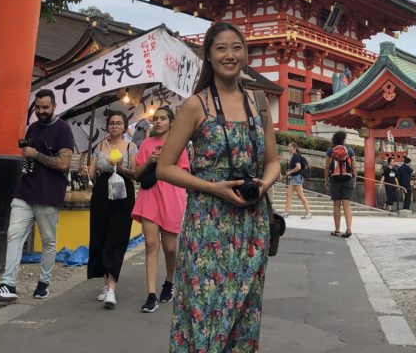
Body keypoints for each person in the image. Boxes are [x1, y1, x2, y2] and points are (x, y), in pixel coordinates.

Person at [156, 21, 281, 353]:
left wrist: (262, 185)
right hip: (208, 225)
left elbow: (273, 161)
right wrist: (214, 188)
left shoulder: (259, 102)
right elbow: (164, 167)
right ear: (208, 56)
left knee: (243, 315)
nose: (230, 55)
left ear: (245, 54)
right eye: (221, 48)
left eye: (236, 47)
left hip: (252, 226)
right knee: (207, 311)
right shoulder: (196, 105)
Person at [0, 89, 75, 303]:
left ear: (53, 107)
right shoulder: (32, 128)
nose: (41, 111)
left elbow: (63, 164)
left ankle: (44, 282)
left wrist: (36, 155)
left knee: (48, 241)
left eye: (45, 107)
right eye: (38, 107)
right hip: (25, 189)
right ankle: (8, 283)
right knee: (14, 234)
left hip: (49, 193)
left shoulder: (63, 130)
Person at [132, 106, 189, 313]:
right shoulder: (146, 144)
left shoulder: (179, 146)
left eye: (163, 118)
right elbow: (137, 174)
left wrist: (165, 161)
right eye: (155, 119)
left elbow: (183, 173)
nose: (158, 122)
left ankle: (169, 280)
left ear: (171, 122)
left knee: (170, 248)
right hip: (150, 196)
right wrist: (150, 160)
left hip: (172, 196)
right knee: (150, 244)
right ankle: (151, 294)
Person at [87, 110, 138, 309]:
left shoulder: (131, 147)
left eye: (118, 123)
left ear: (124, 127)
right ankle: (106, 282)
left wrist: (121, 167)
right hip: (101, 193)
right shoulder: (100, 145)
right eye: (111, 123)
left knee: (117, 238)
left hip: (122, 193)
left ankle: (112, 289)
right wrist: (87, 172)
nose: (114, 126)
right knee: (100, 236)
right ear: (107, 126)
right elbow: (92, 173)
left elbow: (135, 174)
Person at [325, 130, 356, 237]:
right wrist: (354, 178)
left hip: (335, 180)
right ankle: (348, 229)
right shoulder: (349, 150)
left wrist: (326, 180)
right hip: (348, 180)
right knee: (347, 205)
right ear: (343, 139)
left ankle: (337, 230)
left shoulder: (330, 150)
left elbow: (327, 167)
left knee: (336, 205)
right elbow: (354, 166)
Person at [282, 141, 312, 218]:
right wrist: (290, 171)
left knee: (301, 196)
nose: (288, 148)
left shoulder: (296, 156)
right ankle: (286, 212)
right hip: (295, 177)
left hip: (297, 177)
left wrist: (290, 172)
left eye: (290, 147)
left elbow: (298, 167)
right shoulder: (294, 156)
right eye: (288, 147)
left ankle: (308, 213)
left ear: (294, 148)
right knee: (289, 193)